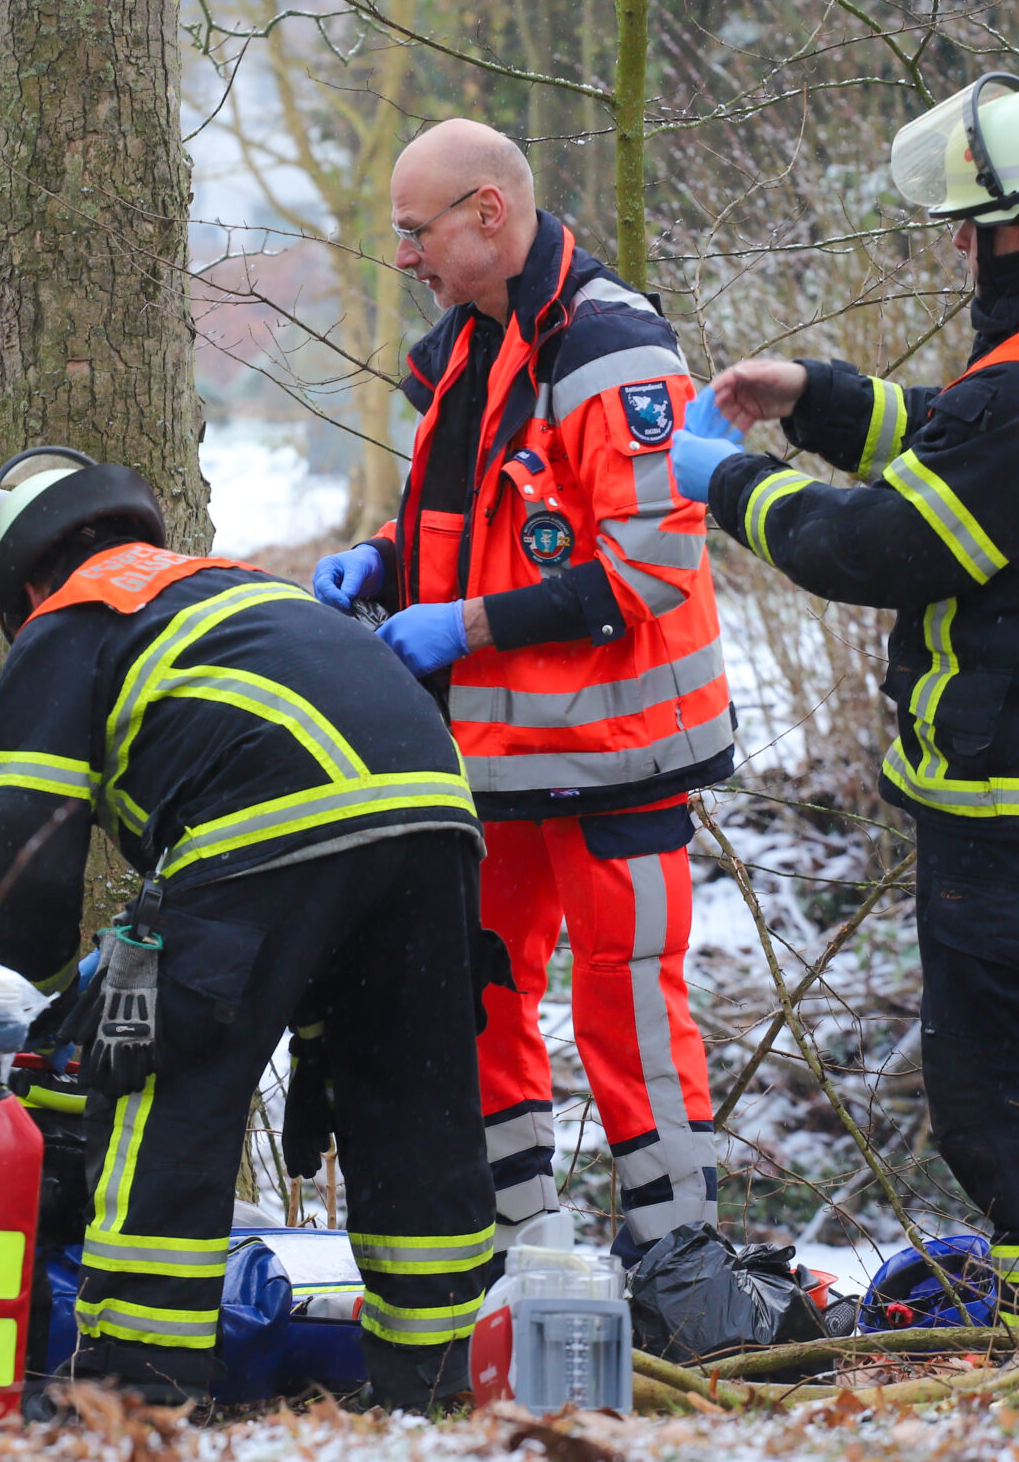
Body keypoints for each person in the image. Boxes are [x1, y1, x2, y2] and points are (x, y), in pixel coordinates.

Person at [675, 78, 1019, 1331]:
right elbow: (970, 455)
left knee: (1000, 1091)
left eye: (969, 221)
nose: (956, 240)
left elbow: (891, 547)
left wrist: (729, 482)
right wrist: (821, 397)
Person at [0, 450, 494, 1407]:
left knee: (158, 1084)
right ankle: (434, 1383)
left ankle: (137, 1392)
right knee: (415, 1097)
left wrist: (34, 1005)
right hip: (438, 811)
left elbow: (22, 852)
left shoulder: (70, 620)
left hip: (270, 820)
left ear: (21, 581)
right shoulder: (239, 589)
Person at [309, 120, 732, 1255]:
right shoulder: (469, 346)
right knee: (479, 996)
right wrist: (389, 565)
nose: (403, 256)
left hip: (619, 755)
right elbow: (479, 530)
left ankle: (679, 1260)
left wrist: (463, 627)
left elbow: (648, 568)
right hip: (493, 761)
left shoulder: (611, 353)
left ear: (487, 214)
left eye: (416, 230)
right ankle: (513, 1249)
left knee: (628, 1002)